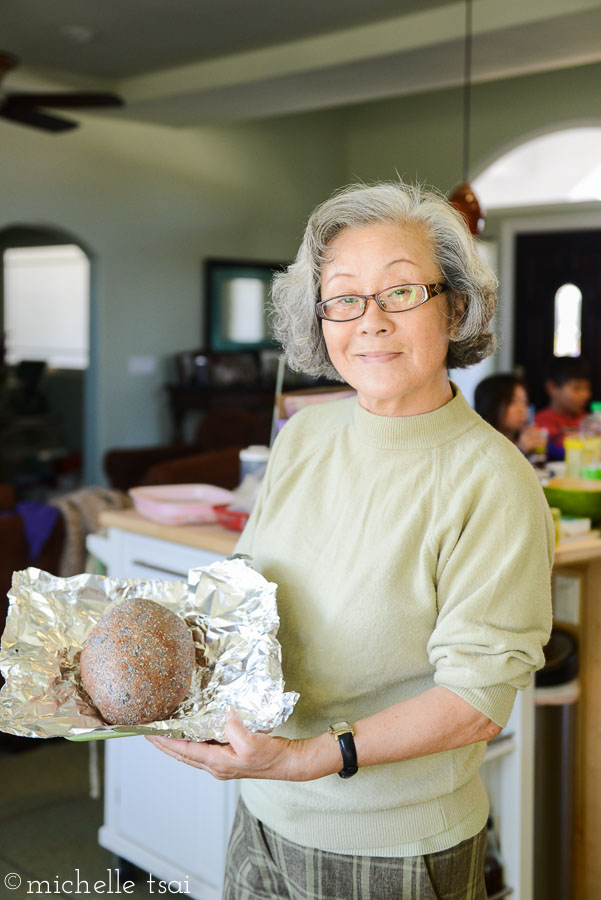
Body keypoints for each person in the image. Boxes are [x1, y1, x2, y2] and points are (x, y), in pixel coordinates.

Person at [147, 181, 554, 900]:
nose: (369, 321)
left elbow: (475, 699)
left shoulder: (491, 480)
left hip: (390, 843)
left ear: (455, 306)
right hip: (262, 812)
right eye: (342, 296)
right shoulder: (304, 433)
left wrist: (307, 758)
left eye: (401, 292)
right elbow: (250, 586)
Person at [474, 372, 548, 456]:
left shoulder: (523, 439)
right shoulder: (480, 445)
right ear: (490, 403)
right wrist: (520, 451)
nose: (522, 409)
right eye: (513, 402)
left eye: (525, 402)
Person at [534, 356, 592, 460]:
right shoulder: (540, 422)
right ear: (552, 388)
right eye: (577, 388)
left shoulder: (590, 421)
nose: (585, 394)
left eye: (587, 388)